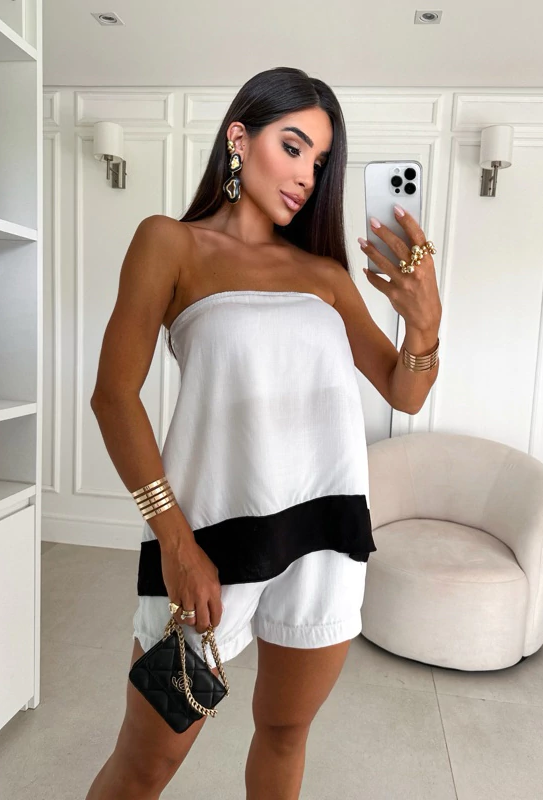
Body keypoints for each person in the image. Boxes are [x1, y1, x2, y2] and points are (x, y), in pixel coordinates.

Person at [86, 66, 442, 800]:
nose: (308, 175)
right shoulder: (169, 244)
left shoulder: (325, 276)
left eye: (320, 160)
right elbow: (113, 397)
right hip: (208, 547)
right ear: (239, 139)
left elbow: (404, 391)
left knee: (284, 733)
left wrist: (425, 323)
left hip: (327, 539)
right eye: (293, 145)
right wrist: (176, 544)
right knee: (146, 764)